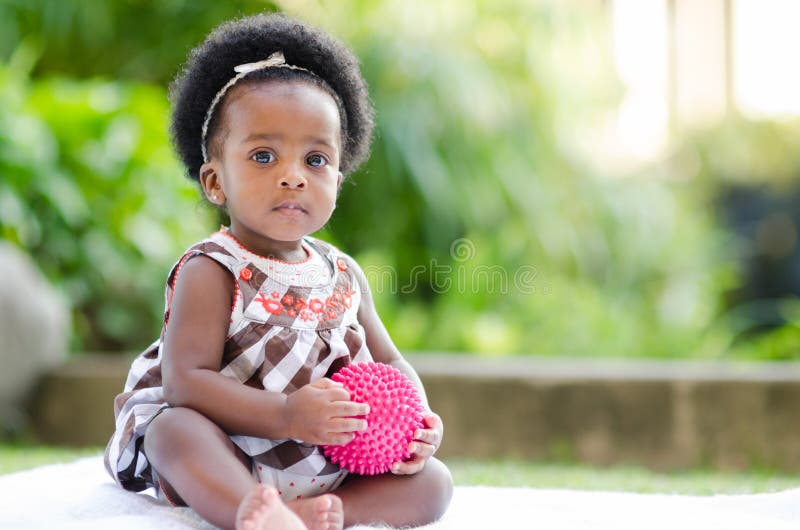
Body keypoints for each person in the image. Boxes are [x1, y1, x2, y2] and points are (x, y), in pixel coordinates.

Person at [104, 12, 453, 530]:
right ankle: (247, 509)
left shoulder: (343, 274)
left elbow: (392, 360)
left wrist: (421, 421)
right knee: (172, 431)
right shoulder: (214, 267)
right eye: (264, 156)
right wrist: (288, 415)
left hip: (328, 457)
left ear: (339, 174)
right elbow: (186, 382)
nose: (292, 177)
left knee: (435, 484)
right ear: (215, 181)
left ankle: (325, 513)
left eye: (315, 160)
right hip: (230, 448)